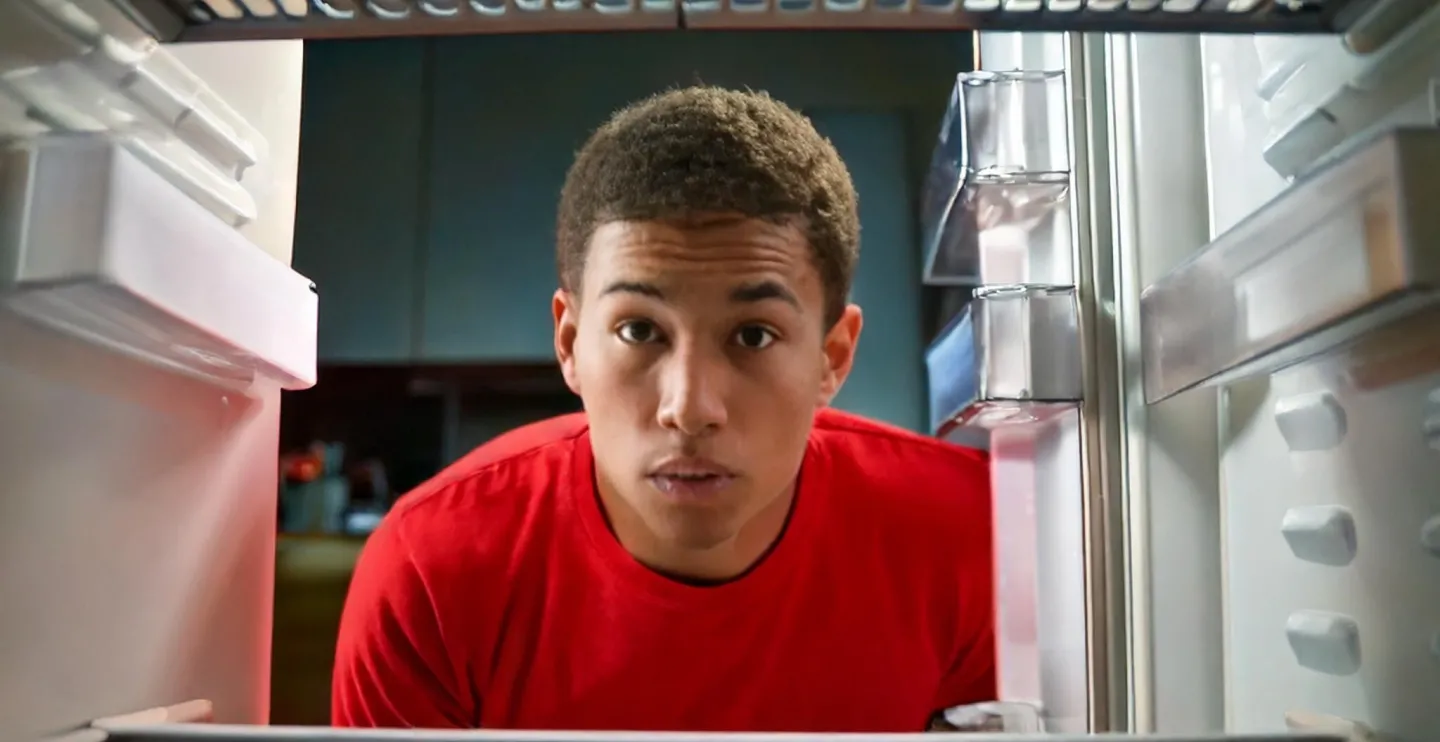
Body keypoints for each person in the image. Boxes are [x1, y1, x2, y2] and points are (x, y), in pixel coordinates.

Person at [331, 85, 995, 732]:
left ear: (833, 356)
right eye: (639, 331)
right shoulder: (430, 572)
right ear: (569, 343)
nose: (689, 407)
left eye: (753, 335)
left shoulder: (976, 536)